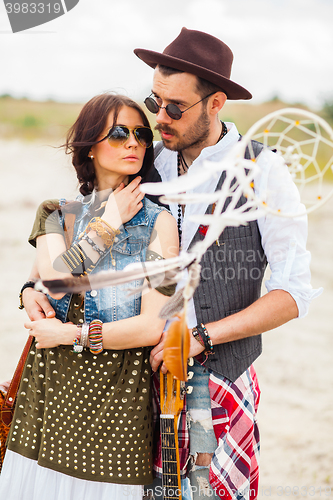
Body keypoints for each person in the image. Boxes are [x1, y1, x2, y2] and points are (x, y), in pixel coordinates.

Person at [21, 29, 321, 500]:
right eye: (154, 101)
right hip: (135, 376)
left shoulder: (264, 172)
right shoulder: (146, 158)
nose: (159, 118)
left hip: (218, 374)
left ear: (216, 103)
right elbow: (81, 243)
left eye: (175, 108)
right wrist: (35, 286)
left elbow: (293, 295)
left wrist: (202, 338)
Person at [0, 93, 178, 500]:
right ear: (90, 146)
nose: (133, 142)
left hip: (115, 410)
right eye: (118, 133)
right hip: (47, 399)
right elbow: (58, 279)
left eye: (140, 134)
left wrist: (71, 335)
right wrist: (110, 221)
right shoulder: (55, 213)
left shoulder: (160, 225)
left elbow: (151, 325)